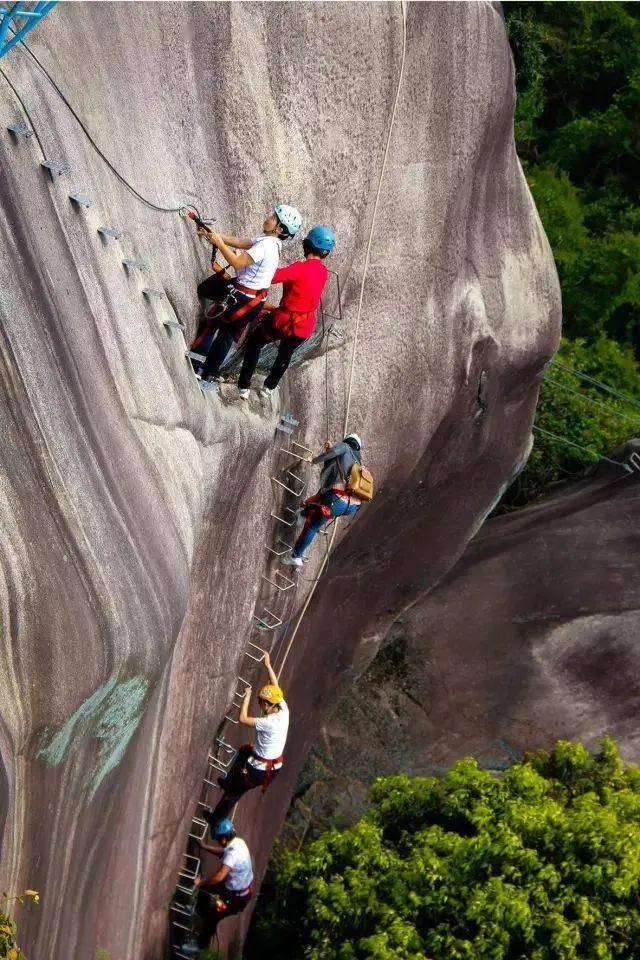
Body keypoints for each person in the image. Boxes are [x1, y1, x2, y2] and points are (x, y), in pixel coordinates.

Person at [195, 204, 302, 389]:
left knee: (212, 322)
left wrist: (219, 243)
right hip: (253, 301)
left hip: (243, 297)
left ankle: (196, 364)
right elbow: (239, 242)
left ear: (279, 228)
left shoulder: (267, 245)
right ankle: (209, 375)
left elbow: (237, 262)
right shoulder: (269, 240)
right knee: (227, 335)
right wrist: (214, 236)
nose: (268, 218)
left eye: (273, 217)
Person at [236, 225, 336, 399]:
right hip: (304, 327)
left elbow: (271, 276)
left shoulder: (299, 268)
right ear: (325, 253)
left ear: (307, 245)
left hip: (283, 322)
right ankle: (269, 387)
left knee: (255, 342)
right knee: (285, 353)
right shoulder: (323, 271)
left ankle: (244, 387)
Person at [205, 652, 289, 822]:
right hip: (271, 764)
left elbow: (243, 719)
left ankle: (216, 819)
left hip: (260, 770)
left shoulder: (270, 722)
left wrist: (248, 697)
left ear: (267, 704)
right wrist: (268, 665)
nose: (260, 705)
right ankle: (228, 781)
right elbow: (275, 685)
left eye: (260, 702)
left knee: (234, 792)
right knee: (244, 750)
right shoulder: (283, 709)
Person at [282, 434, 364, 567]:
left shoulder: (345, 447)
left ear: (348, 441)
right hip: (350, 506)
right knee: (321, 505)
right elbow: (333, 462)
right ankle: (303, 514)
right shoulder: (358, 462)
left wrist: (314, 460)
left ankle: (295, 556)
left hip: (337, 500)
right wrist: (329, 451)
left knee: (312, 525)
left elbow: (334, 453)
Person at [180, 819, 254, 953]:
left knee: (212, 917)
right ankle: (197, 910)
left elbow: (219, 876)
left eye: (219, 839)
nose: (218, 841)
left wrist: (200, 882)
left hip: (236, 897)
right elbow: (223, 852)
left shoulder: (233, 853)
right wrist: (204, 847)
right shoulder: (238, 842)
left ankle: (199, 946)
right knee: (206, 888)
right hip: (233, 887)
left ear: (224, 838)